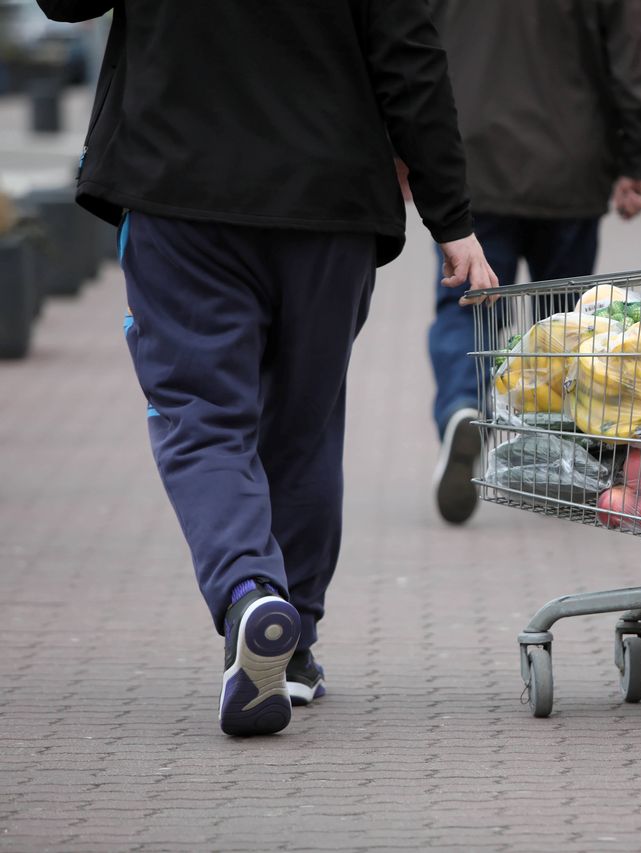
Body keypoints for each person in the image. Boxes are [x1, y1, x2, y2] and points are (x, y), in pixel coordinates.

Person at [36, 0, 498, 736]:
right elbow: (409, 55)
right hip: (331, 202)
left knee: (202, 417)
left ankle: (251, 593)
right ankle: (294, 645)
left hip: (179, 191)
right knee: (304, 425)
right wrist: (453, 219)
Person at [426, 0, 641, 525]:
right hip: (570, 161)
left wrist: (406, 150)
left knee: (466, 309)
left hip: (469, 158)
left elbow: (400, 44)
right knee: (566, 328)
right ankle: (556, 462)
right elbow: (637, 61)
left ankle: (462, 408)